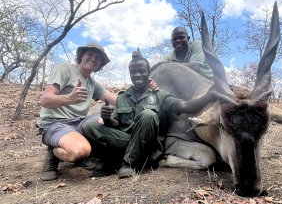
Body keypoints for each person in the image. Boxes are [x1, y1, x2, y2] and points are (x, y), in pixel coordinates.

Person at [82, 51, 212, 179]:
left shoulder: (160, 96)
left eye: (142, 71)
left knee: (148, 115)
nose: (137, 75)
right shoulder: (123, 97)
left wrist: (209, 95)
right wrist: (106, 118)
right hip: (127, 140)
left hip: (148, 148)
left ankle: (128, 164)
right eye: (133, 72)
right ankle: (120, 160)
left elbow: (186, 106)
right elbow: (115, 124)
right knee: (89, 127)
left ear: (148, 73)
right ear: (130, 74)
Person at [36, 43, 117, 181]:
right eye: (90, 54)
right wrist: (68, 98)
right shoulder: (65, 69)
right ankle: (53, 151)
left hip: (79, 123)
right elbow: (45, 100)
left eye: (98, 58)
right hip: (56, 123)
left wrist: (143, 92)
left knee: (111, 118)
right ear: (81, 56)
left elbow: (116, 100)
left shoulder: (92, 83)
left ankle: (92, 153)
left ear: (100, 64)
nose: (93, 59)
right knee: (80, 151)